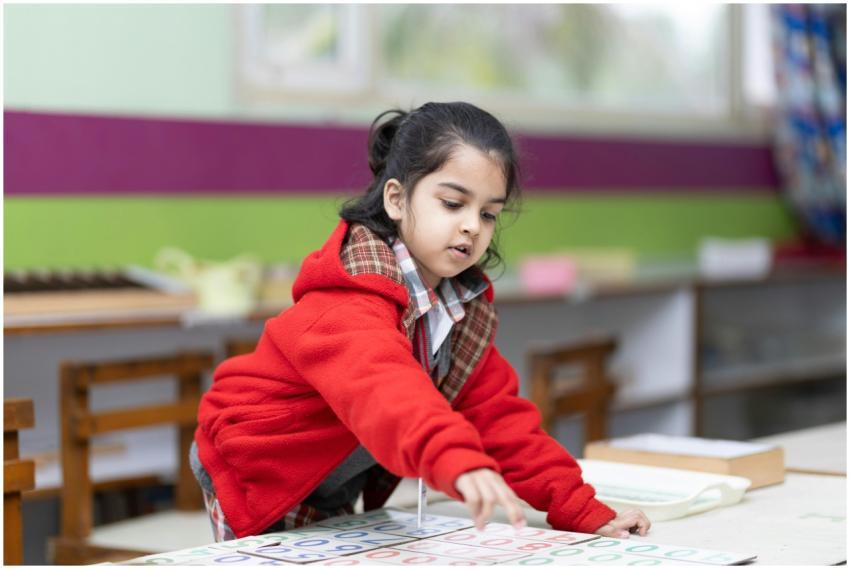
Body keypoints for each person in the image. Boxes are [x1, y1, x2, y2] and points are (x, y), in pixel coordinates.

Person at [190, 101, 650, 542]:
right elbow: (386, 390)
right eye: (453, 204)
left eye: (488, 213)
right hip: (252, 466)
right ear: (395, 198)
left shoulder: (457, 310)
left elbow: (501, 421)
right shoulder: (349, 297)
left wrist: (583, 511)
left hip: (327, 481)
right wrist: (456, 458)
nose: (473, 225)